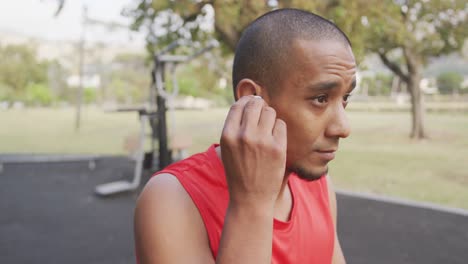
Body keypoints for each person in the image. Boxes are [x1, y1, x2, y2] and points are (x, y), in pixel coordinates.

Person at [134, 8, 355, 264]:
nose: (343, 127)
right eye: (320, 99)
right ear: (254, 99)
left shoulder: (318, 186)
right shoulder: (171, 200)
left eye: (345, 98)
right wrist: (252, 204)